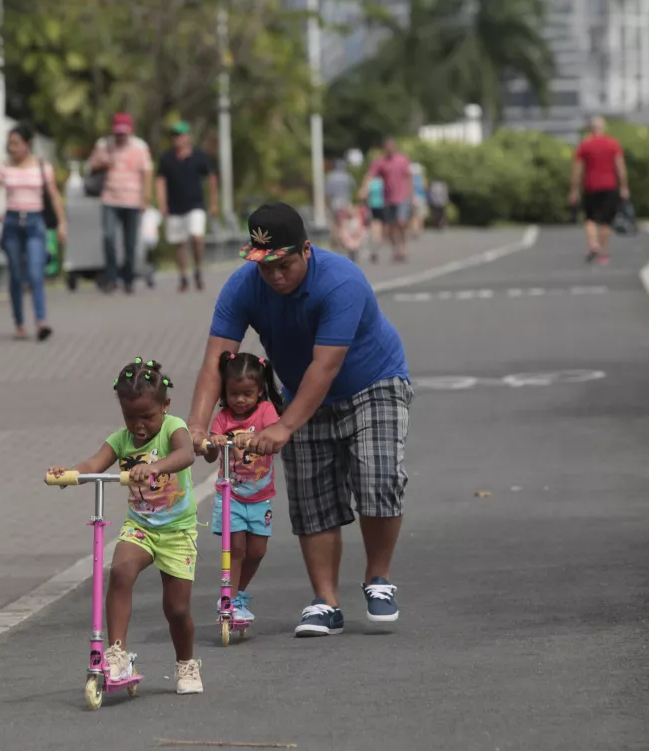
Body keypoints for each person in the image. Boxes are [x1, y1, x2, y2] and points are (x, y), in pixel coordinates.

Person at [187, 203, 412, 637]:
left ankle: (378, 579)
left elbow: (324, 367)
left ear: (306, 250)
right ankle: (325, 601)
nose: (274, 276)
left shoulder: (341, 282)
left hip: (374, 380)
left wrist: (284, 425)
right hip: (300, 391)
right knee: (312, 494)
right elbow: (217, 358)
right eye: (264, 266)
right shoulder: (243, 288)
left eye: (284, 265)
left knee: (377, 475)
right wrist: (196, 426)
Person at [47, 358, 203, 694]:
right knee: (120, 570)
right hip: (141, 526)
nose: (139, 426)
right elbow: (94, 462)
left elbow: (186, 454)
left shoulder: (174, 426)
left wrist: (156, 466)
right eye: (130, 417)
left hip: (177, 530)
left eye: (147, 416)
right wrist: (71, 473)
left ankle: (186, 663)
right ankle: (116, 652)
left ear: (165, 406)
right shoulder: (121, 439)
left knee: (176, 609)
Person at [203, 351, 284, 625]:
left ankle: (237, 594)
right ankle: (228, 598)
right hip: (231, 496)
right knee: (236, 548)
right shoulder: (222, 418)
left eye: (247, 394)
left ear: (259, 391)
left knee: (257, 551)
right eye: (234, 393)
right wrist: (211, 443)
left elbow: (275, 436)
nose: (240, 400)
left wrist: (257, 437)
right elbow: (210, 456)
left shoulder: (266, 411)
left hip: (260, 498)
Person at [0, 125, 66, 341]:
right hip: (12, 222)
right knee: (15, 274)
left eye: (16, 143)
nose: (12, 148)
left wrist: (61, 223)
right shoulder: (3, 168)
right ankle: (20, 323)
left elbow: (54, 195)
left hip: (35, 222)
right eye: (10, 144)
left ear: (28, 144)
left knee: (35, 273)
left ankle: (41, 321)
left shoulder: (42, 166)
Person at [88, 113, 154, 294]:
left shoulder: (140, 146)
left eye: (124, 133)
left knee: (130, 243)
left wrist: (145, 198)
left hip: (132, 200)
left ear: (130, 131)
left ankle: (128, 278)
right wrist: (102, 162)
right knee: (108, 237)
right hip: (109, 199)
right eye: (118, 133)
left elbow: (147, 172)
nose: (121, 136)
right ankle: (111, 278)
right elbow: (91, 167)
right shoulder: (104, 145)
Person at [156, 121, 218, 293]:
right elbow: (160, 180)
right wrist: (162, 203)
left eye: (182, 135)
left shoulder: (199, 156)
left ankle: (198, 268)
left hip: (196, 205)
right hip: (175, 206)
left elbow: (211, 178)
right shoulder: (167, 158)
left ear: (188, 137)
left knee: (196, 237)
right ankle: (183, 276)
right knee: (180, 243)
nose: (179, 139)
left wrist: (213, 203)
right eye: (175, 135)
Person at [569, 115, 629, 265]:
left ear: (589, 128)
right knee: (606, 222)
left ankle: (593, 243)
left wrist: (574, 190)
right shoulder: (613, 144)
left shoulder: (585, 145)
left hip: (591, 186)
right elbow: (620, 168)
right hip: (610, 186)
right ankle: (603, 254)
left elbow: (577, 170)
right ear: (603, 127)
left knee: (590, 219)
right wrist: (624, 187)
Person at [360, 138, 413, 263]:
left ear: (395, 147)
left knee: (401, 222)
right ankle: (396, 248)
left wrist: (411, 196)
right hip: (388, 199)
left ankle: (403, 246)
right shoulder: (380, 162)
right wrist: (364, 189)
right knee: (390, 225)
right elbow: (370, 175)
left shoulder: (402, 160)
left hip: (402, 196)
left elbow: (409, 178)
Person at [324, 159, 355, 252]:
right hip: (345, 202)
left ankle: (341, 243)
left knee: (336, 225)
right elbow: (352, 187)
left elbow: (327, 193)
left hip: (335, 203)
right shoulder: (347, 176)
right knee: (345, 223)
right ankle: (347, 242)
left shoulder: (330, 177)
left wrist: (327, 205)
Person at [365, 175, 386, 263]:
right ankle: (378, 238)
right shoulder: (382, 182)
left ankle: (375, 237)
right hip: (381, 205)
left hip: (372, 205)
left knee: (374, 224)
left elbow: (366, 194)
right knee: (380, 224)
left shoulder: (370, 182)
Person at [409, 162, 428, 239]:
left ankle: (414, 230)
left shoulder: (410, 179)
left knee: (413, 216)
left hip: (412, 198)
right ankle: (420, 230)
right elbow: (425, 187)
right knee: (420, 216)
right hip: (421, 198)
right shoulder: (421, 178)